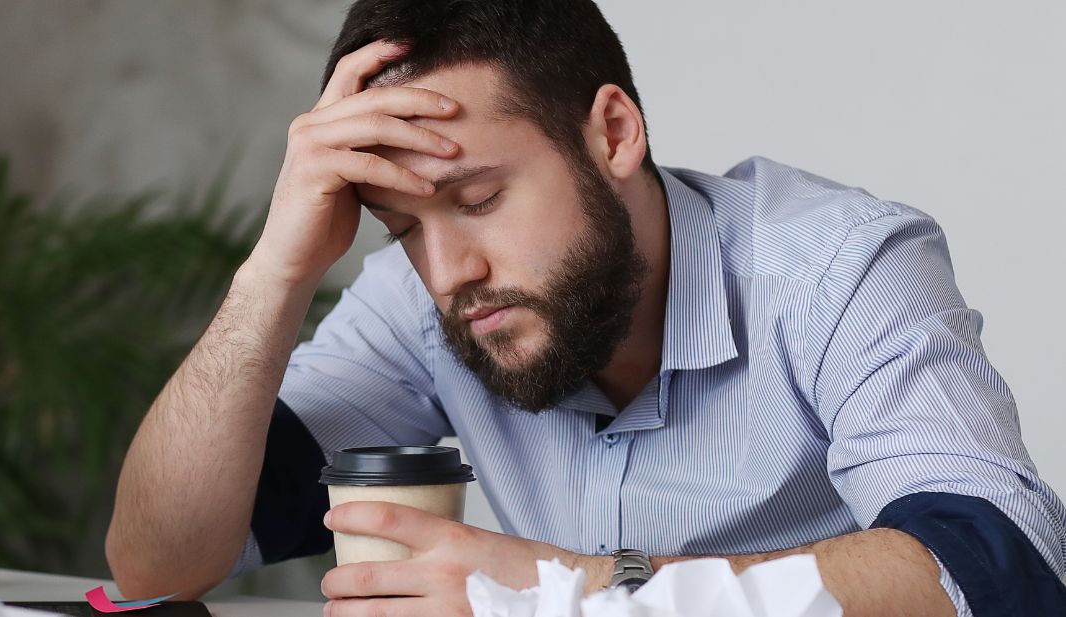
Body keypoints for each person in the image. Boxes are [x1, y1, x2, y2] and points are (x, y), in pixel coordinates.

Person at [105, 1, 1066, 615]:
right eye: (403, 228)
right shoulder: (423, 299)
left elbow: (1001, 565)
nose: (449, 270)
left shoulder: (838, 264)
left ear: (612, 131)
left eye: (479, 199)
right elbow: (161, 565)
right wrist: (274, 269)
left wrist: (557, 587)